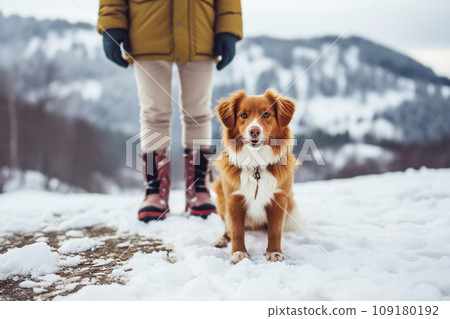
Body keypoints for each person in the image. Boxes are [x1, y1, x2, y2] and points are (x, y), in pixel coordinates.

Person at [97, 0, 243, 222]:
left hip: (201, 30)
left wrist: (228, 28)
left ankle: (199, 188)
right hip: (147, 30)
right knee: (154, 114)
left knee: (199, 114)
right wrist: (112, 23)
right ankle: (154, 192)